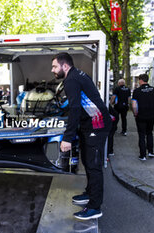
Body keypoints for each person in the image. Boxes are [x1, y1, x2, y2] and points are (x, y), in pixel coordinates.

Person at [51, 52, 111, 220]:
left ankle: (94, 207)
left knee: (93, 165)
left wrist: (67, 138)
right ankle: (90, 194)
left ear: (65, 66)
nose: (52, 70)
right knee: (87, 160)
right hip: (89, 125)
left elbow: (75, 109)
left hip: (97, 125)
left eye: (55, 66)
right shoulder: (77, 75)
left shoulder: (71, 80)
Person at [132, 73, 154, 161]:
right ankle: (151, 152)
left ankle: (143, 155)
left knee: (141, 134)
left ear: (140, 80)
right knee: (149, 133)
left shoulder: (137, 91)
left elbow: (134, 105)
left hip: (140, 115)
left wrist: (135, 113)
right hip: (151, 115)